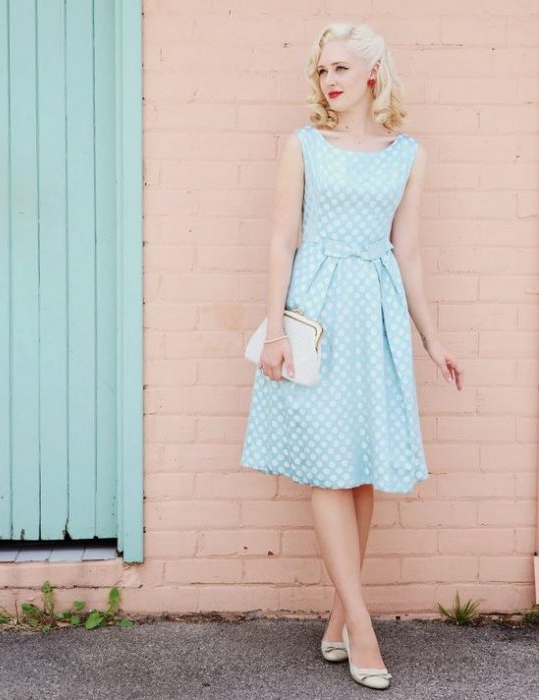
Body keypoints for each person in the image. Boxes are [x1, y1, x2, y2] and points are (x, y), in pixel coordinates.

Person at [240, 21, 464, 690]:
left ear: (372, 73)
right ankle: (362, 625)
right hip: (315, 312)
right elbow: (283, 239)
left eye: (339, 68)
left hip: (377, 316)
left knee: (360, 469)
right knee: (327, 472)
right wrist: (275, 328)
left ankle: (339, 617)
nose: (329, 80)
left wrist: (432, 339)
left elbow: (410, 254)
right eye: (321, 71)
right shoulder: (303, 146)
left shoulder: (408, 154)